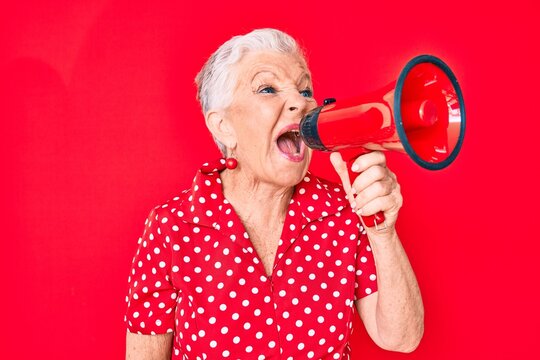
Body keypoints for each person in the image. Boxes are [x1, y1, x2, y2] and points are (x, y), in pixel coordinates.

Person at [125, 28, 424, 359]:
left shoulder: (344, 211)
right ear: (222, 125)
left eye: (305, 89)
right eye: (267, 88)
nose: (300, 101)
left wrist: (381, 232)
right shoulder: (171, 228)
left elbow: (401, 338)